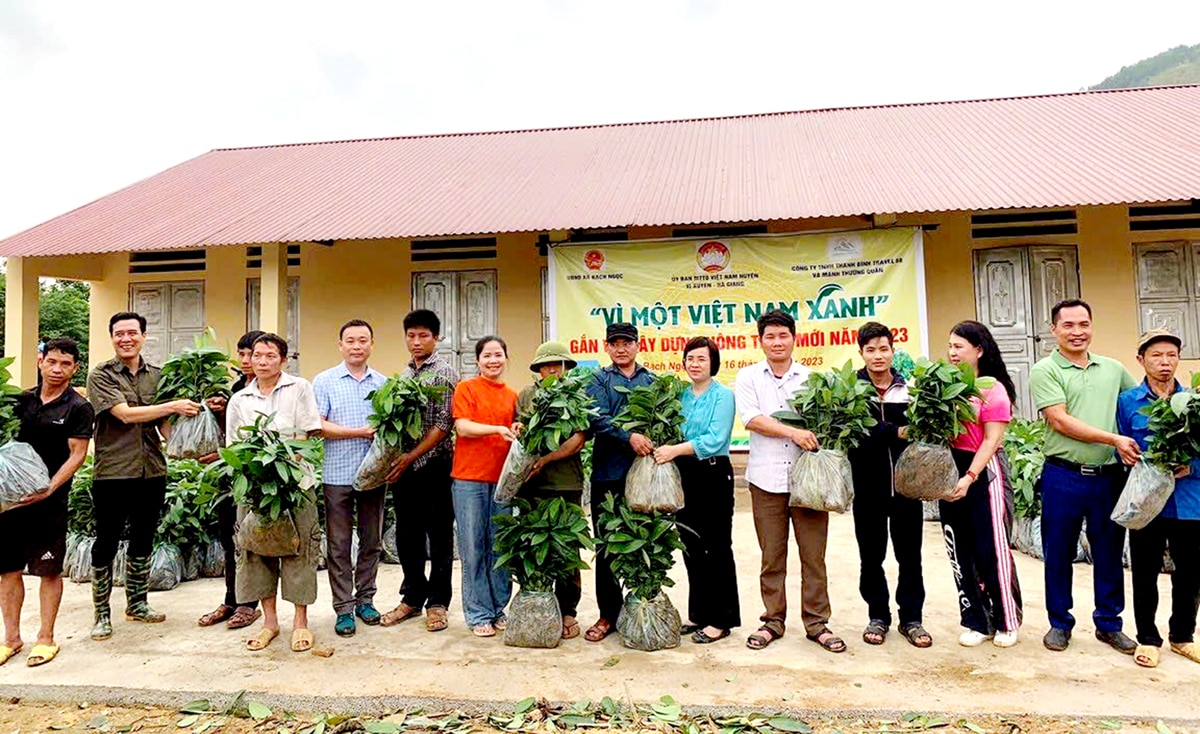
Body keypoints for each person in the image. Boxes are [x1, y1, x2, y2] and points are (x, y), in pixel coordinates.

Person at [1029, 299, 1139, 654]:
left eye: (1084, 324)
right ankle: (1060, 623)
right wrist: (1113, 438)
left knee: (1108, 552)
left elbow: (1136, 406)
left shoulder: (1113, 368)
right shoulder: (1045, 369)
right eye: (1069, 326)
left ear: (1092, 326)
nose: (1077, 332)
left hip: (1109, 477)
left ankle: (1109, 624)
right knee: (1058, 551)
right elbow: (1059, 420)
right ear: (1054, 330)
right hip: (1063, 475)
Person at [86, 312, 202, 641]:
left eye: (132, 333)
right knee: (106, 541)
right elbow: (124, 415)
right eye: (119, 333)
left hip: (152, 470)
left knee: (143, 538)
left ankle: (137, 604)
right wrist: (172, 406)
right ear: (112, 338)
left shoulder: (158, 376)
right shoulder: (101, 375)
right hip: (113, 472)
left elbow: (164, 426)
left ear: (143, 336)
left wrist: (191, 430)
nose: (126, 338)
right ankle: (102, 613)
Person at [735, 309, 843, 653]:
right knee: (772, 555)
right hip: (765, 479)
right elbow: (752, 419)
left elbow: (827, 422)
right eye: (770, 336)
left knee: (814, 556)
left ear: (794, 339)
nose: (777, 342)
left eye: (783, 335)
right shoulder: (749, 376)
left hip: (807, 483)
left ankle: (816, 623)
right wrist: (794, 432)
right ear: (761, 341)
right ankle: (773, 621)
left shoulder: (812, 379)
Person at [226, 333, 323, 653]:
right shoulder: (240, 399)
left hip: (296, 484)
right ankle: (269, 622)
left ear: (284, 359)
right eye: (257, 355)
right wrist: (258, 476)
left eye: (270, 356)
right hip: (255, 489)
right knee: (255, 550)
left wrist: (285, 469)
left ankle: (300, 622)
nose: (263, 361)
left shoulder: (300, 388)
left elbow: (309, 434)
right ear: (249, 360)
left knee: (299, 549)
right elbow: (234, 447)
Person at [0, 338, 94, 667]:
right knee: (8, 570)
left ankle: (46, 638)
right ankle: (11, 638)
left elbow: (77, 455)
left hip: (49, 502)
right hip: (11, 501)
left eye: (65, 364)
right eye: (52, 361)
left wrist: (49, 488)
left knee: (48, 570)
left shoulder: (78, 407)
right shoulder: (18, 401)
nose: (57, 369)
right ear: (41, 361)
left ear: (75, 369)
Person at [1116, 329, 1200, 668]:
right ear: (1141, 360)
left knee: (1190, 571)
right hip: (1147, 502)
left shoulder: (1194, 404)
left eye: (1171, 355)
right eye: (1156, 355)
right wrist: (1125, 455)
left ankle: (1182, 636)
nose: (1164, 362)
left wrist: (1190, 465)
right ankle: (1147, 638)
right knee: (1145, 570)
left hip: (1190, 500)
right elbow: (1120, 443)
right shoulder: (1127, 402)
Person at [652, 337, 739, 644]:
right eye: (690, 358)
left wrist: (674, 450)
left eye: (701, 358)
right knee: (691, 547)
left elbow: (715, 439)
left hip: (713, 474)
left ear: (713, 362)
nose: (695, 364)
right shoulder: (680, 396)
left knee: (716, 546)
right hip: (685, 474)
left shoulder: (723, 396)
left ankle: (721, 619)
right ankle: (699, 613)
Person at [847, 322, 929, 648]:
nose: (878, 356)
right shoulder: (851, 389)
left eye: (884, 349)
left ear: (893, 350)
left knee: (910, 557)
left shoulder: (910, 388)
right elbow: (859, 432)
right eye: (871, 350)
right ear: (861, 353)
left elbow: (923, 429)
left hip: (908, 489)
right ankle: (877, 616)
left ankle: (912, 619)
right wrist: (895, 432)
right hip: (867, 489)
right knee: (871, 556)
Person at [943, 320, 1023, 648]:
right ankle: (977, 619)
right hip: (952, 467)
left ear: (978, 350)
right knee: (959, 548)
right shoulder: (948, 386)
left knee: (991, 547)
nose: (952, 353)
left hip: (983, 469)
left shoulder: (993, 389)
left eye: (959, 347)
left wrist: (970, 477)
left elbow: (991, 441)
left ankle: (1007, 620)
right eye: (950, 346)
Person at [379, 309, 459, 633]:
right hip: (405, 468)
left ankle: (437, 603)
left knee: (439, 535)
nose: (416, 341)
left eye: (423, 335)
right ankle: (412, 597)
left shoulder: (445, 373)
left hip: (435, 465)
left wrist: (410, 456)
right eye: (411, 335)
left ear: (436, 337)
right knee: (407, 535)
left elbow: (444, 423)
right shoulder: (402, 376)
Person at [312, 319, 387, 637]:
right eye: (351, 341)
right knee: (340, 545)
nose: (357, 346)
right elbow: (317, 425)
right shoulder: (325, 381)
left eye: (363, 340)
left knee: (371, 541)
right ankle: (343, 608)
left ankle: (365, 600)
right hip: (337, 474)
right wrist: (359, 432)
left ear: (372, 344)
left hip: (373, 475)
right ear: (340, 345)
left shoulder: (382, 384)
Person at [583, 323, 655, 642]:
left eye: (627, 342)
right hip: (608, 475)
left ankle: (641, 607)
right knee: (608, 546)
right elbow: (596, 419)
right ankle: (607, 615)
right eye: (615, 343)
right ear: (607, 347)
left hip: (643, 475)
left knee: (644, 541)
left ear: (638, 345)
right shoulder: (599, 379)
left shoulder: (651, 381)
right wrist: (629, 436)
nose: (621, 348)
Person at [515, 341, 588, 640]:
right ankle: (539, 602)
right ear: (538, 369)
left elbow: (579, 439)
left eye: (558, 365)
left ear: (566, 369)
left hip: (566, 482)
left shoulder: (576, 396)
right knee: (535, 546)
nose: (553, 370)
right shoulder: (526, 396)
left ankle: (568, 610)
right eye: (547, 365)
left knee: (567, 548)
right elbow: (519, 429)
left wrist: (547, 459)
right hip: (532, 484)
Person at [450, 336, 519, 637]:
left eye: (498, 355)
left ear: (506, 358)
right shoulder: (466, 389)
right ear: (478, 360)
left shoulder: (512, 395)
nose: (493, 360)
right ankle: (478, 613)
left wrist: (515, 428)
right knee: (473, 547)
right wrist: (497, 429)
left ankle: (498, 608)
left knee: (500, 546)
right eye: (487, 355)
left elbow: (515, 433)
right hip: (469, 479)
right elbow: (462, 426)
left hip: (503, 480)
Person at [197, 329, 265, 631]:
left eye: (253, 354)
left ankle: (250, 604)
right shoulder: (236, 388)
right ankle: (231, 598)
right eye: (243, 354)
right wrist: (218, 411)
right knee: (229, 538)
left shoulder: (271, 389)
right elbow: (230, 435)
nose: (248, 360)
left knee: (252, 539)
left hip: (259, 476)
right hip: (230, 476)